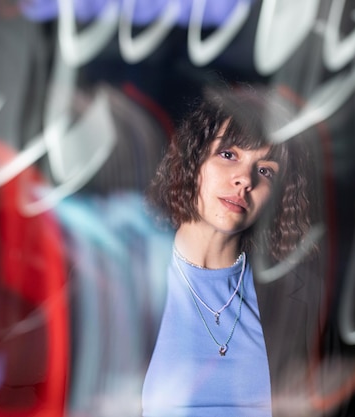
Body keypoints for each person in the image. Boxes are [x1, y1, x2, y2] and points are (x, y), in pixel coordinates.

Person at [142, 86, 336, 417]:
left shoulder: (297, 298)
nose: (245, 179)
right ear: (193, 159)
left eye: (265, 170)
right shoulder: (129, 277)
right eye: (229, 155)